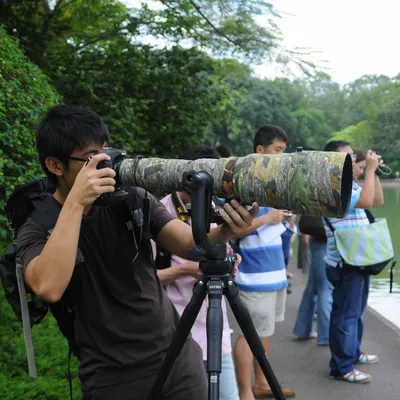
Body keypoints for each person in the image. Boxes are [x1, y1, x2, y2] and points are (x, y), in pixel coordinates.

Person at [16, 105, 258, 400]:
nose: (107, 164)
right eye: (93, 158)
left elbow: (189, 244)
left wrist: (226, 231)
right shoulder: (38, 225)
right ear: (55, 165)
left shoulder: (129, 199)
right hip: (112, 376)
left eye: (107, 152)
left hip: (176, 357)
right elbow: (48, 287)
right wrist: (76, 203)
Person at [156, 144, 239, 400]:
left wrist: (230, 257)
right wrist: (185, 270)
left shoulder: (215, 207)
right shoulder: (158, 214)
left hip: (215, 326)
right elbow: (144, 279)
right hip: (175, 331)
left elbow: (223, 248)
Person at [234, 124, 295, 399]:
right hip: (253, 275)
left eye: (284, 151)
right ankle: (244, 391)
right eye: (277, 151)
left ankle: (262, 383)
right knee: (249, 334)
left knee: (265, 331)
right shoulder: (245, 185)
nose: (282, 156)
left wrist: (284, 218)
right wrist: (267, 218)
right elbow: (233, 229)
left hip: (273, 273)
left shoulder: (274, 186)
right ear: (260, 150)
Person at [323, 140, 384, 384]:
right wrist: (368, 170)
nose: (352, 160)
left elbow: (376, 200)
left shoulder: (349, 185)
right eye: (346, 157)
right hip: (345, 262)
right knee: (345, 315)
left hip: (358, 259)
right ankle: (342, 367)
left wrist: (374, 172)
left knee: (356, 312)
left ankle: (353, 354)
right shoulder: (333, 187)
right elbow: (368, 202)